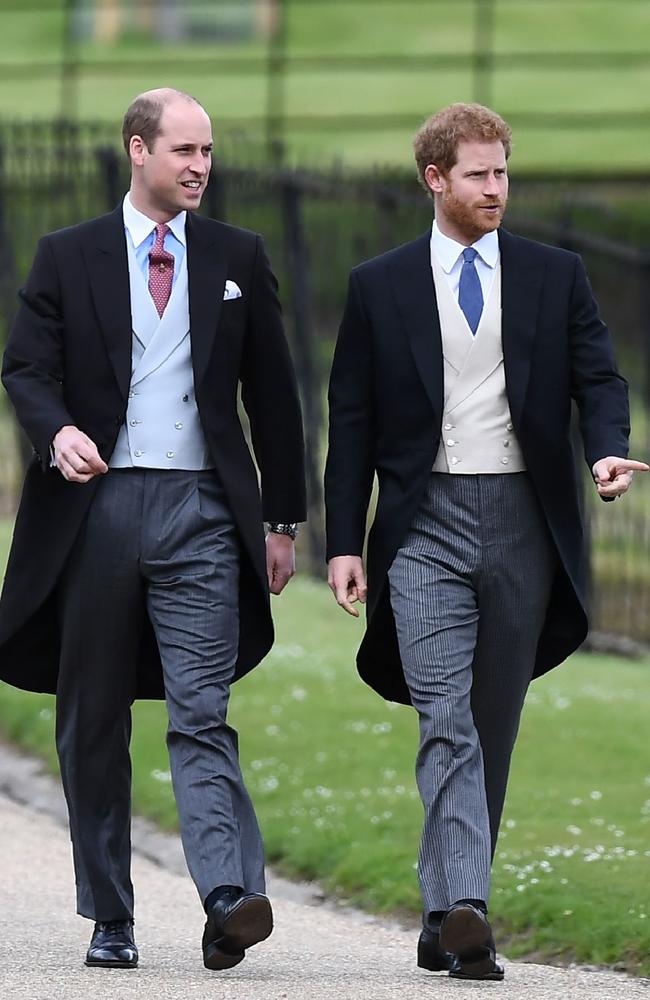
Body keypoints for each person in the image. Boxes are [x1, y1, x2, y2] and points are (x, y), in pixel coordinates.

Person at [324, 102, 647, 982]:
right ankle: (471, 909)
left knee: (491, 726)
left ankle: (441, 919)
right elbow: (349, 419)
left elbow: (598, 375)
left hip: (524, 525)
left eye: (503, 172)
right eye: (478, 174)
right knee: (447, 720)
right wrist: (343, 540)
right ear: (436, 179)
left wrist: (606, 449)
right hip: (423, 526)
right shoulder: (379, 284)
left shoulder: (555, 274)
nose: (496, 188)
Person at [0, 88, 306, 972]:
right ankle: (110, 915)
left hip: (205, 512)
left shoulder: (238, 255)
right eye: (184, 151)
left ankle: (227, 895)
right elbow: (25, 366)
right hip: (94, 512)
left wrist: (281, 519)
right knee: (91, 715)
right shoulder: (69, 255)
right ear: (139, 151)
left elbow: (276, 399)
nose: (201, 166)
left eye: (208, 152)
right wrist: (55, 431)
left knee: (202, 711)